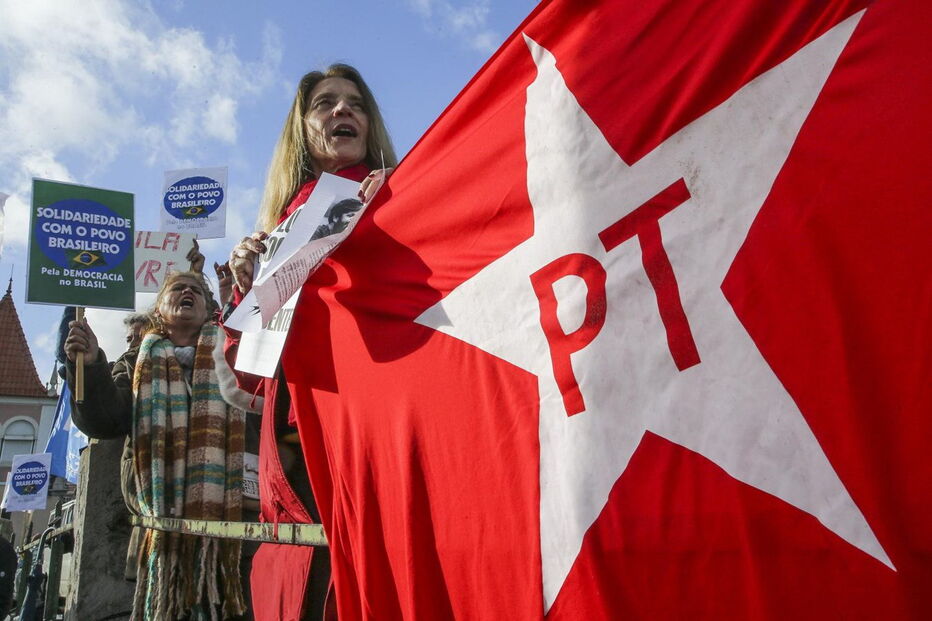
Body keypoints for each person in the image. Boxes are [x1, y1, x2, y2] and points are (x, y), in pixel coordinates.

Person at [224, 64, 397, 621]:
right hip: (295, 460)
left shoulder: (400, 196)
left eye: (355, 103)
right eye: (325, 103)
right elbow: (248, 374)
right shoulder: (279, 225)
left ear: (370, 124)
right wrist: (246, 290)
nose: (342, 110)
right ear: (303, 128)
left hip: (372, 439)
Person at [65, 271, 258, 620]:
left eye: (196, 290)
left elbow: (263, 413)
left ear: (208, 309)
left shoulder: (235, 355)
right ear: (159, 310)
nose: (188, 292)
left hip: (231, 526)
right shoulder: (136, 361)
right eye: (178, 288)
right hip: (159, 530)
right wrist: (91, 366)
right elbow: (104, 420)